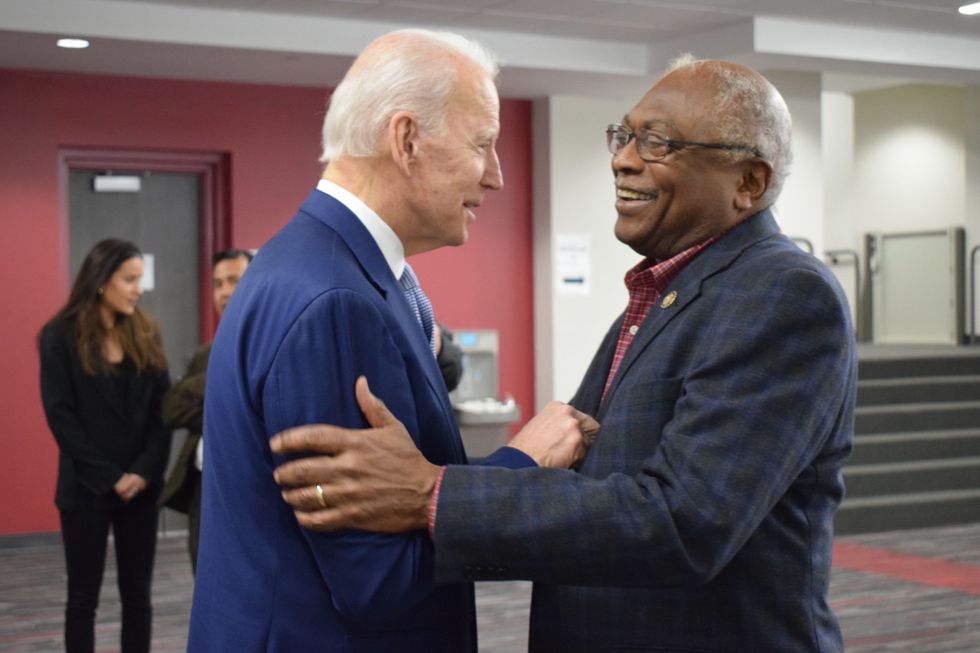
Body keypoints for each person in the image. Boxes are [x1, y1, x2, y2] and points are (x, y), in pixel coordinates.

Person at [271, 56, 858, 652]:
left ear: (748, 182)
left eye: (658, 142)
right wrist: (503, 467)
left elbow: (684, 523)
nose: (623, 158)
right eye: (625, 134)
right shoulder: (664, 293)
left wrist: (432, 494)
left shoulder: (783, 293)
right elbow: (585, 478)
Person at [187, 29, 596, 652]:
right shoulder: (336, 303)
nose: (497, 177)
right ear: (407, 140)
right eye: (482, 144)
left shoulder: (320, 266)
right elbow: (378, 581)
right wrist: (523, 464)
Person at [38, 238, 172, 653]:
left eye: (139, 280)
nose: (138, 289)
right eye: (129, 279)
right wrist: (110, 477)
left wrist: (143, 472)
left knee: (138, 597)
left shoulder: (146, 333)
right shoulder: (58, 336)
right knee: (83, 599)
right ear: (100, 281)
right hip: (85, 489)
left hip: (140, 488)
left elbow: (162, 414)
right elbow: (61, 417)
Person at [158, 248, 253, 573]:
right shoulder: (205, 355)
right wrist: (218, 388)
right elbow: (171, 409)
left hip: (249, 484)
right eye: (217, 284)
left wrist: (210, 401)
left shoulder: (271, 342)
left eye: (233, 281)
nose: (224, 292)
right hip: (202, 483)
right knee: (204, 574)